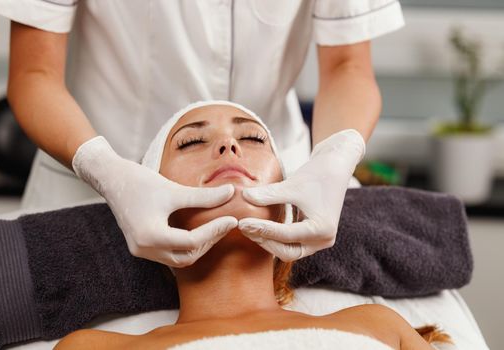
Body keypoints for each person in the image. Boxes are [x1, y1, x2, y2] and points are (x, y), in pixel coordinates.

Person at [0, 1, 405, 266]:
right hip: (94, 184)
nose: (226, 148)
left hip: (282, 184)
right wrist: (105, 170)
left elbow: (348, 67)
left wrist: (333, 158)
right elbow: (34, 73)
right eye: (191, 142)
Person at [54, 102, 452, 350]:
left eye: (252, 137)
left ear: (287, 205)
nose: (230, 146)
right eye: (191, 142)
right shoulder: (91, 348)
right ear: (145, 209)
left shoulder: (376, 325)